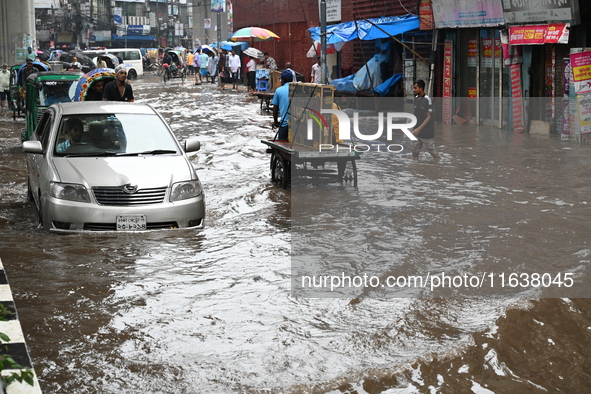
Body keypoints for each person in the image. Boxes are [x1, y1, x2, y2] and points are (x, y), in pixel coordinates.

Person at [412, 79, 440, 161]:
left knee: (433, 152)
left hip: (426, 131)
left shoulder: (428, 100)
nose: (414, 90)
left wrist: (419, 129)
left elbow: (429, 116)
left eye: (415, 88)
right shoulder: (416, 99)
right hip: (416, 130)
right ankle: (415, 171)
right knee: (414, 151)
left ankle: (439, 166)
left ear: (421, 88)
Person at [271, 70, 294, 140]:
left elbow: (275, 108)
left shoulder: (279, 90)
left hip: (285, 125)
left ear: (283, 80)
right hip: (297, 126)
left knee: (281, 144)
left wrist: (275, 121)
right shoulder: (298, 89)